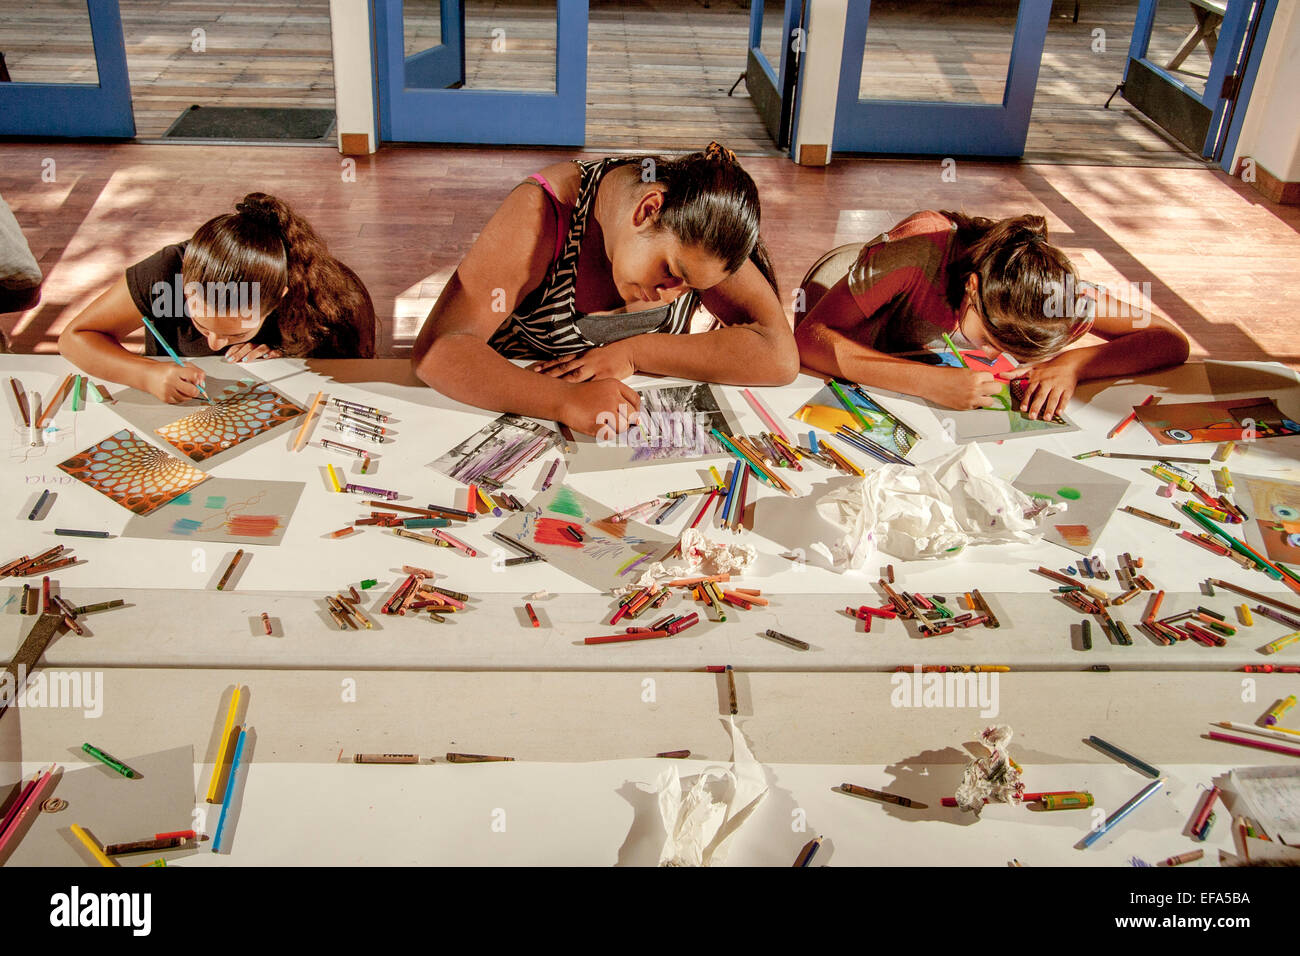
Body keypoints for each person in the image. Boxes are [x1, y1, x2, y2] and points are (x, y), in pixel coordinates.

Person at [411, 142, 799, 435]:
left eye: (689, 289)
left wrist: (633, 352)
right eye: (669, 271)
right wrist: (564, 400)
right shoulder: (545, 210)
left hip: (627, 435)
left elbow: (778, 356)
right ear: (647, 210)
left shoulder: (702, 234)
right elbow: (439, 350)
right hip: (521, 418)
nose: (668, 294)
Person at [794, 210, 1189, 422]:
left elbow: (1168, 340)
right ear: (971, 287)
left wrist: (1073, 364)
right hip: (866, 400)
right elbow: (809, 339)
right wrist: (930, 381)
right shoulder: (922, 249)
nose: (993, 356)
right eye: (989, 343)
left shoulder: (1058, 297)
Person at [59, 192, 375, 403]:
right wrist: (147, 374)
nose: (213, 344)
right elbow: (76, 337)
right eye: (201, 323)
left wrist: (288, 356)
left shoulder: (329, 299)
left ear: (279, 299)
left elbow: (355, 386)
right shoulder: (168, 272)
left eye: (235, 333)